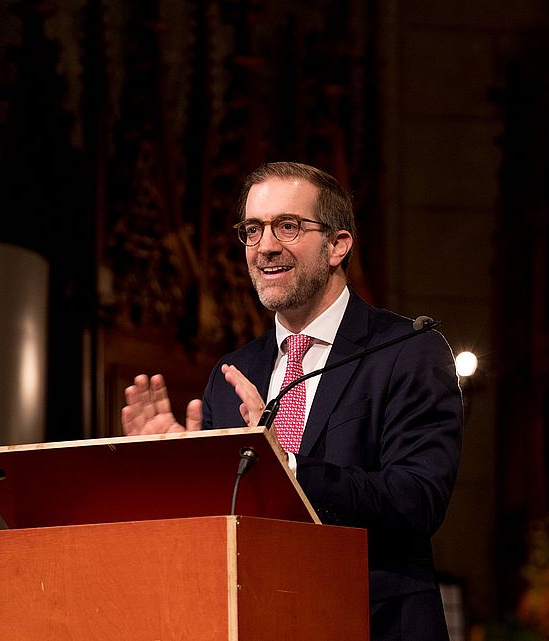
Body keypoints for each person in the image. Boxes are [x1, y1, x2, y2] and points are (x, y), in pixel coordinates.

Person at [121, 161, 463, 641]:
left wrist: (288, 466)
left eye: (288, 226)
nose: (265, 247)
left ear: (338, 245)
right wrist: (181, 467)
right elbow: (221, 531)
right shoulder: (231, 374)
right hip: (257, 622)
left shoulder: (406, 349)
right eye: (253, 230)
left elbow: (417, 501)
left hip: (373, 623)